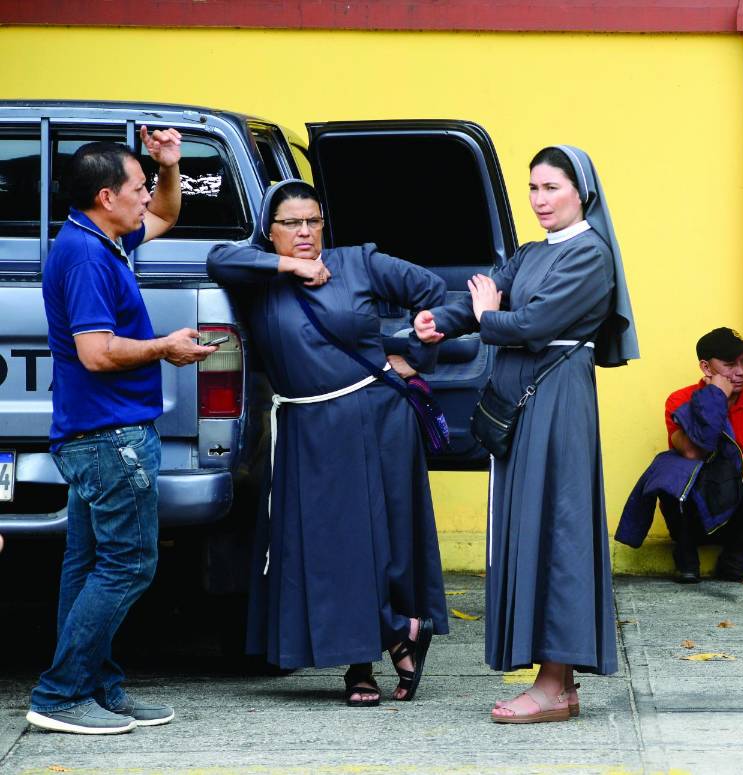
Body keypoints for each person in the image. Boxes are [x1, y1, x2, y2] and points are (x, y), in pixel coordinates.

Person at [415, 146, 638, 723]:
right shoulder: (534, 252)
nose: (539, 200)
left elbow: (532, 324)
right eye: (533, 188)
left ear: (581, 192)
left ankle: (554, 683)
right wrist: (440, 320)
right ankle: (554, 686)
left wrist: (488, 313)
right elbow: (486, 298)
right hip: (526, 405)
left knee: (556, 530)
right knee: (532, 528)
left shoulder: (591, 256)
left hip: (558, 405)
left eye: (551, 188)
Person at [206, 180, 449, 706]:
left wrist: (414, 357)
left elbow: (432, 292)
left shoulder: (359, 262)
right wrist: (291, 267)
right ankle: (389, 638)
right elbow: (218, 259)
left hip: (376, 416)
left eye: (313, 221)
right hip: (306, 429)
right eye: (291, 223)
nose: (304, 232)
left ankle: (366, 664)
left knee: (380, 544)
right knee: (327, 549)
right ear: (270, 232)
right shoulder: (260, 277)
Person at [29, 129, 216, 734]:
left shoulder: (102, 236)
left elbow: (164, 211)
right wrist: (166, 347)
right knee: (128, 565)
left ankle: (98, 687)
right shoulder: (86, 257)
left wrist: (169, 165)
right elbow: (96, 353)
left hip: (97, 435)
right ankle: (59, 696)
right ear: (107, 196)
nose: (145, 196)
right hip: (109, 438)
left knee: (87, 568)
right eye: (136, 186)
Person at [622, 328, 743, 583]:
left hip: (737, 510)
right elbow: (690, 450)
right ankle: (686, 559)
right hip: (694, 511)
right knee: (668, 469)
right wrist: (716, 398)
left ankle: (733, 562)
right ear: (706, 368)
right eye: (730, 364)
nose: (740, 371)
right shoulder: (680, 400)